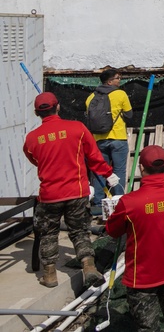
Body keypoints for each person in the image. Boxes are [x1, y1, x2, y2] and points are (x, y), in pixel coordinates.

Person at [23, 92, 116, 288]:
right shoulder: (77, 129)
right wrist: (108, 174)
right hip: (77, 192)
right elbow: (94, 156)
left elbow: (34, 160)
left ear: (36, 113)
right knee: (79, 231)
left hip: (49, 196)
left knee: (48, 233)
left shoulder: (32, 139)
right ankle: (89, 267)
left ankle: (49, 275)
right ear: (58, 107)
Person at [106, 146, 164, 332]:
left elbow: (112, 230)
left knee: (147, 327)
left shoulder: (129, 202)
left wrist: (118, 212)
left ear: (141, 168)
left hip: (141, 278)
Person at [86, 67, 133, 211]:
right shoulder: (120, 94)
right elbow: (129, 115)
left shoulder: (91, 97)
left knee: (100, 171)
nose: (120, 80)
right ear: (110, 81)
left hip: (99, 139)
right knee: (119, 171)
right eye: (118, 78)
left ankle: (99, 204)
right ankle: (118, 203)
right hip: (118, 138)